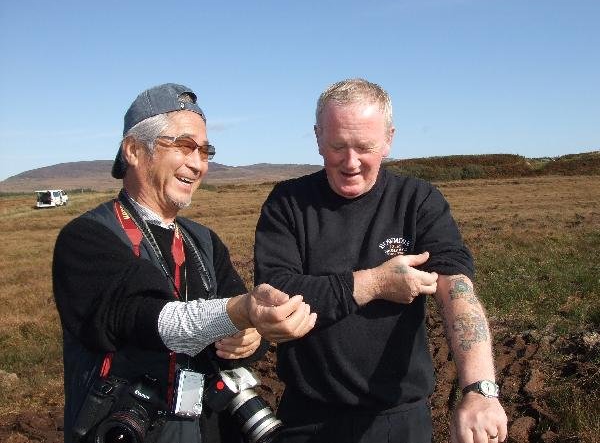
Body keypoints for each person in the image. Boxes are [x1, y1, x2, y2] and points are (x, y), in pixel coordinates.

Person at [53, 83, 316, 443]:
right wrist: (242, 311)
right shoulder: (86, 238)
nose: (198, 164)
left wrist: (252, 338)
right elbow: (145, 316)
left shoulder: (203, 242)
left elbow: (242, 324)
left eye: (205, 151)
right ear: (133, 150)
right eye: (184, 146)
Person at [254, 78, 508, 443]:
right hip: (306, 417)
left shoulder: (418, 201)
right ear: (317, 137)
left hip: (398, 420)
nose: (351, 162)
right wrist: (375, 283)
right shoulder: (288, 202)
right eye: (337, 145)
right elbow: (276, 293)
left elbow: (457, 289)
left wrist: (480, 390)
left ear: (389, 139)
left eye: (365, 147)